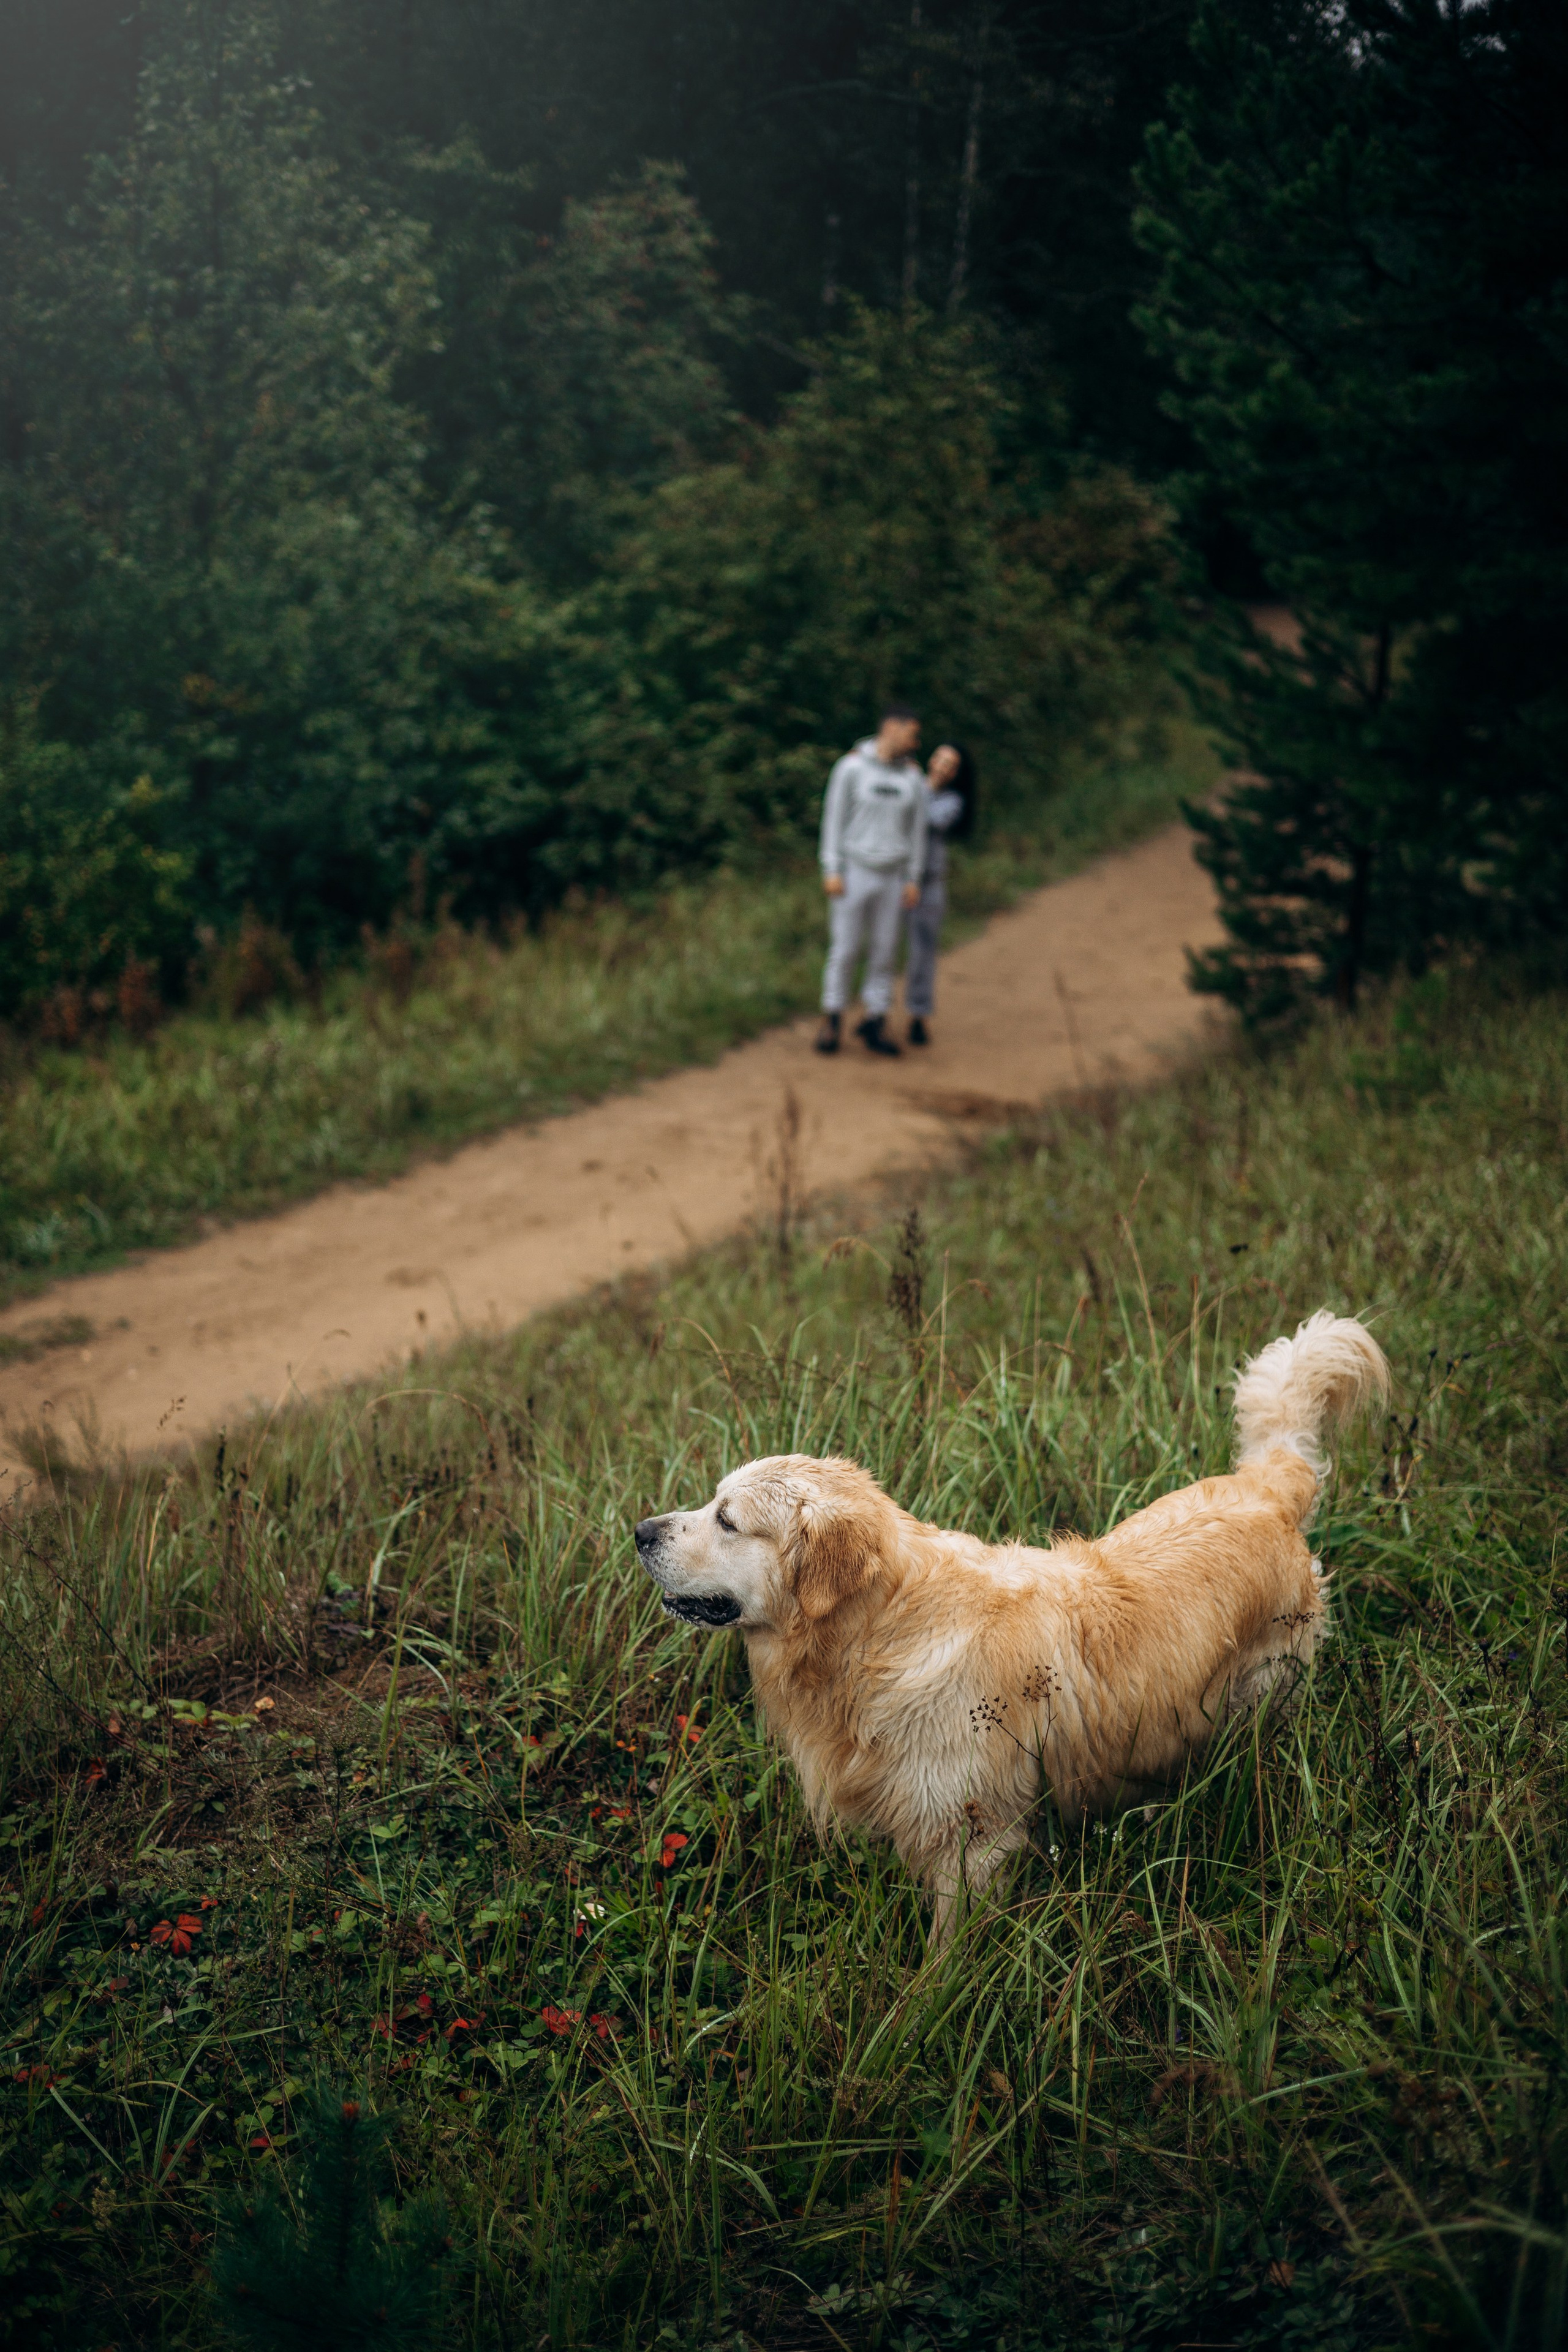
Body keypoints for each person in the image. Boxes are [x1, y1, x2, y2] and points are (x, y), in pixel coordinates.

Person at [815, 704, 927, 1057]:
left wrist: (913, 878)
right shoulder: (851, 769)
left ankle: (875, 1019)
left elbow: (916, 833)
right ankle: (832, 1018)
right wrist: (831, 869)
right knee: (846, 949)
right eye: (912, 733)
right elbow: (833, 820)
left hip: (892, 875)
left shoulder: (912, 779)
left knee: (884, 951)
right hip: (855, 871)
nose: (916, 741)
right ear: (892, 728)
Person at [903, 741, 976, 1046]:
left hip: (928, 883)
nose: (942, 766)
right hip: (896, 876)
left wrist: (914, 785)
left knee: (923, 950)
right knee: (881, 944)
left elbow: (928, 819)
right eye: (940, 759)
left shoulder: (953, 801)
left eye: (950, 764)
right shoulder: (911, 783)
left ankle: (918, 1015)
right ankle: (874, 1011)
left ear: (957, 773)